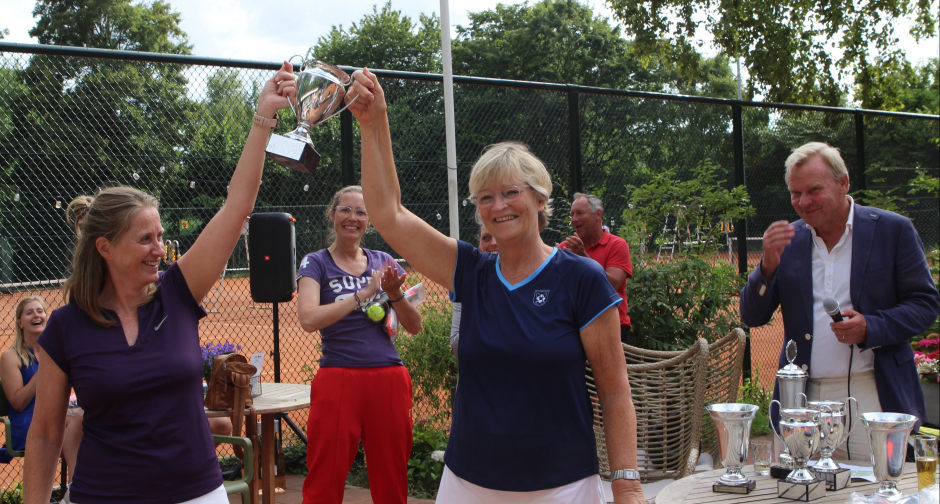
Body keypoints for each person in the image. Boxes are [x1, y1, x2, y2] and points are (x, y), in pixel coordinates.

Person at [346, 68, 644, 504]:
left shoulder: (582, 279)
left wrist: (628, 485)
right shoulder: (471, 270)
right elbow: (388, 214)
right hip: (467, 484)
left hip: (563, 487)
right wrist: (375, 124)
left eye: (510, 192)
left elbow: (615, 389)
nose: (497, 206)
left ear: (541, 200)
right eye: (485, 197)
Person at [24, 62, 297, 504]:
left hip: (196, 492)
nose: (159, 249)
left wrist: (263, 116)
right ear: (105, 249)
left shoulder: (178, 292)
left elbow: (236, 207)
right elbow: (45, 435)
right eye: (145, 239)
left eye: (160, 237)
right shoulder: (65, 327)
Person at [740, 142, 939, 461]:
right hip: (803, 397)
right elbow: (752, 315)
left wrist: (871, 327)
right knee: (803, 490)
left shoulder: (893, 230)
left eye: (814, 189)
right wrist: (766, 268)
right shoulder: (788, 241)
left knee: (879, 488)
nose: (803, 202)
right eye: (795, 193)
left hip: (874, 391)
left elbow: (925, 304)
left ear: (843, 182)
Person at [296, 185, 423, 504]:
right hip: (338, 378)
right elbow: (309, 319)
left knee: (392, 475)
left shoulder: (383, 260)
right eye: (345, 210)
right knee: (325, 475)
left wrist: (394, 294)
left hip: (389, 378)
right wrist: (362, 295)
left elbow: (414, 325)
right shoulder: (316, 263)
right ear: (332, 215)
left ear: (370, 221)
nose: (353, 218)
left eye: (361, 212)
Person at [0, 297, 83, 480]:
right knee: (77, 424)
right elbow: (18, 403)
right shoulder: (10, 357)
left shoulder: (58, 351)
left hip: (59, 416)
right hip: (29, 424)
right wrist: (43, 371)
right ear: (20, 322)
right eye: (29, 312)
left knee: (90, 422)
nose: (36, 315)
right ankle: (75, 489)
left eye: (40, 311)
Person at [560, 192, 634, 344]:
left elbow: (612, 284)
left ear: (598, 214)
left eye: (580, 213)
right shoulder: (565, 248)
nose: (574, 219)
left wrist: (583, 257)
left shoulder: (617, 245)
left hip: (613, 328)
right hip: (575, 328)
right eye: (572, 214)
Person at [449, 225, 498, 355]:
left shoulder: (528, 281)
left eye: (499, 236)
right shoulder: (468, 282)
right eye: (486, 238)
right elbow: (455, 346)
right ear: (480, 245)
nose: (494, 243)